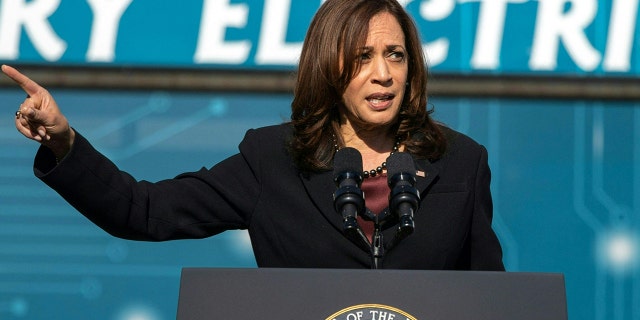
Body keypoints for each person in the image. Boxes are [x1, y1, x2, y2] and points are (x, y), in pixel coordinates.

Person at [3, 0, 504, 270]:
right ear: (327, 66)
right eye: (361, 57)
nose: (383, 74)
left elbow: (489, 298)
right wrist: (64, 143)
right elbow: (144, 211)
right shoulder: (273, 160)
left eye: (395, 55)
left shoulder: (459, 161)